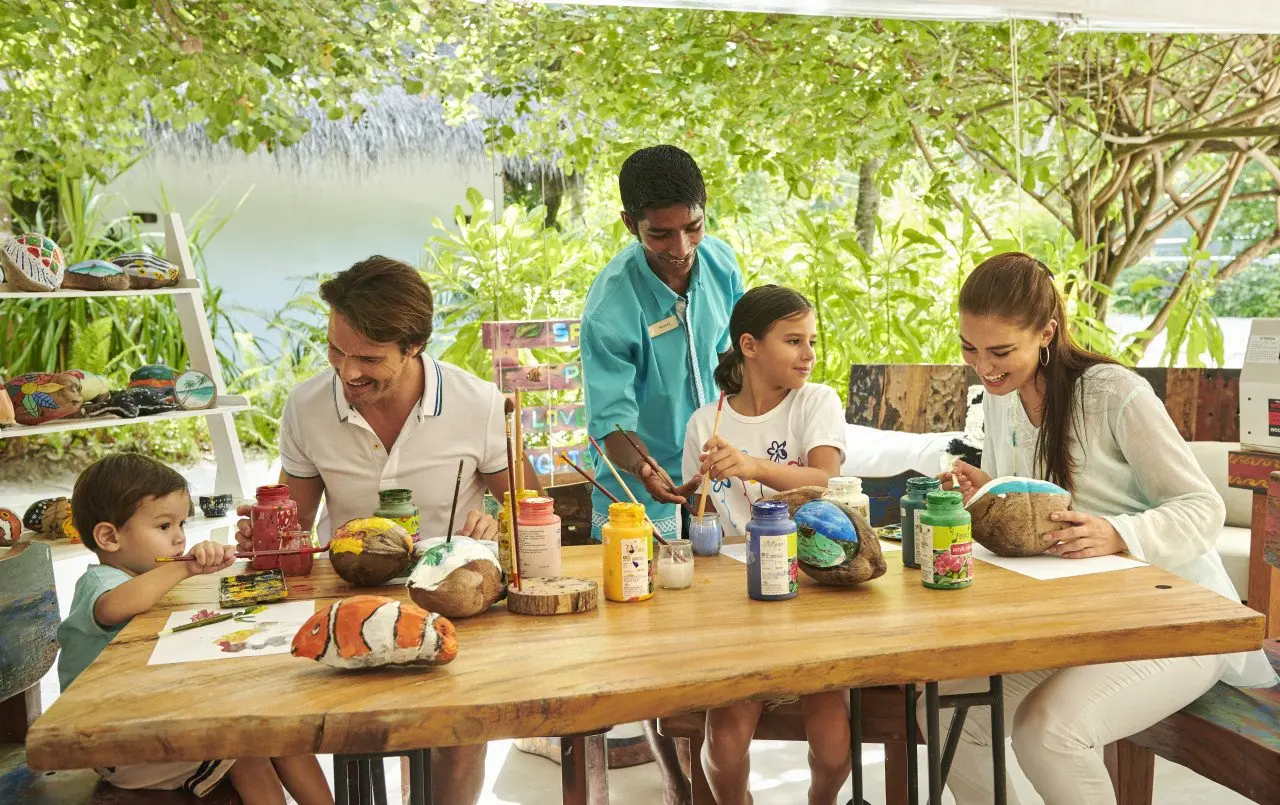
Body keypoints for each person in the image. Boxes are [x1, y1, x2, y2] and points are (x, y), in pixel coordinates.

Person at [937, 252, 1277, 805]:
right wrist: (985, 487)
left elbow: (1201, 505)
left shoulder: (1112, 391)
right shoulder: (1002, 398)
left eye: (1001, 351)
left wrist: (1118, 533)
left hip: (1178, 621)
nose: (984, 366)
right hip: (1079, 620)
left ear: (1046, 332)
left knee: (1047, 732)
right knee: (951, 706)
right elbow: (1038, 496)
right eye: (969, 348)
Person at [234, 256, 539, 804]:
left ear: (414, 345)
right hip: (347, 599)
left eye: (369, 358)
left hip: (455, 605)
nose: (348, 373)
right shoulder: (307, 406)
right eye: (336, 351)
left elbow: (529, 511)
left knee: (462, 734)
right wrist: (270, 538)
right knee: (350, 732)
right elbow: (296, 530)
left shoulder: (479, 406)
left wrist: (496, 526)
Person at [580, 144, 745, 804]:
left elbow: (737, 354)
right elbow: (609, 421)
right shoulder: (612, 302)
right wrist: (647, 469)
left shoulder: (722, 261)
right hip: (638, 491)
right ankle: (683, 786)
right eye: (660, 234)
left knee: (717, 643)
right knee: (658, 658)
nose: (681, 247)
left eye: (693, 227)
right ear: (630, 225)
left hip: (712, 475)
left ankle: (707, 778)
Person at [58, 453, 332, 805]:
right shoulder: (101, 582)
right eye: (164, 526)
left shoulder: (144, 577)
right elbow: (117, 606)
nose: (178, 539)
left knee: (282, 735)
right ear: (110, 537)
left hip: (152, 720)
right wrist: (185, 568)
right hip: (119, 745)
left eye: (182, 525)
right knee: (249, 750)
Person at [682, 285, 850, 805]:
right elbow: (702, 521)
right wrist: (692, 502)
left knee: (834, 745)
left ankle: (820, 800)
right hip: (736, 599)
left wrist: (753, 466)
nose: (809, 355)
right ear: (749, 345)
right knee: (726, 746)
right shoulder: (705, 422)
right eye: (793, 341)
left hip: (812, 585)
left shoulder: (814, 401)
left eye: (811, 341)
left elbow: (825, 480)